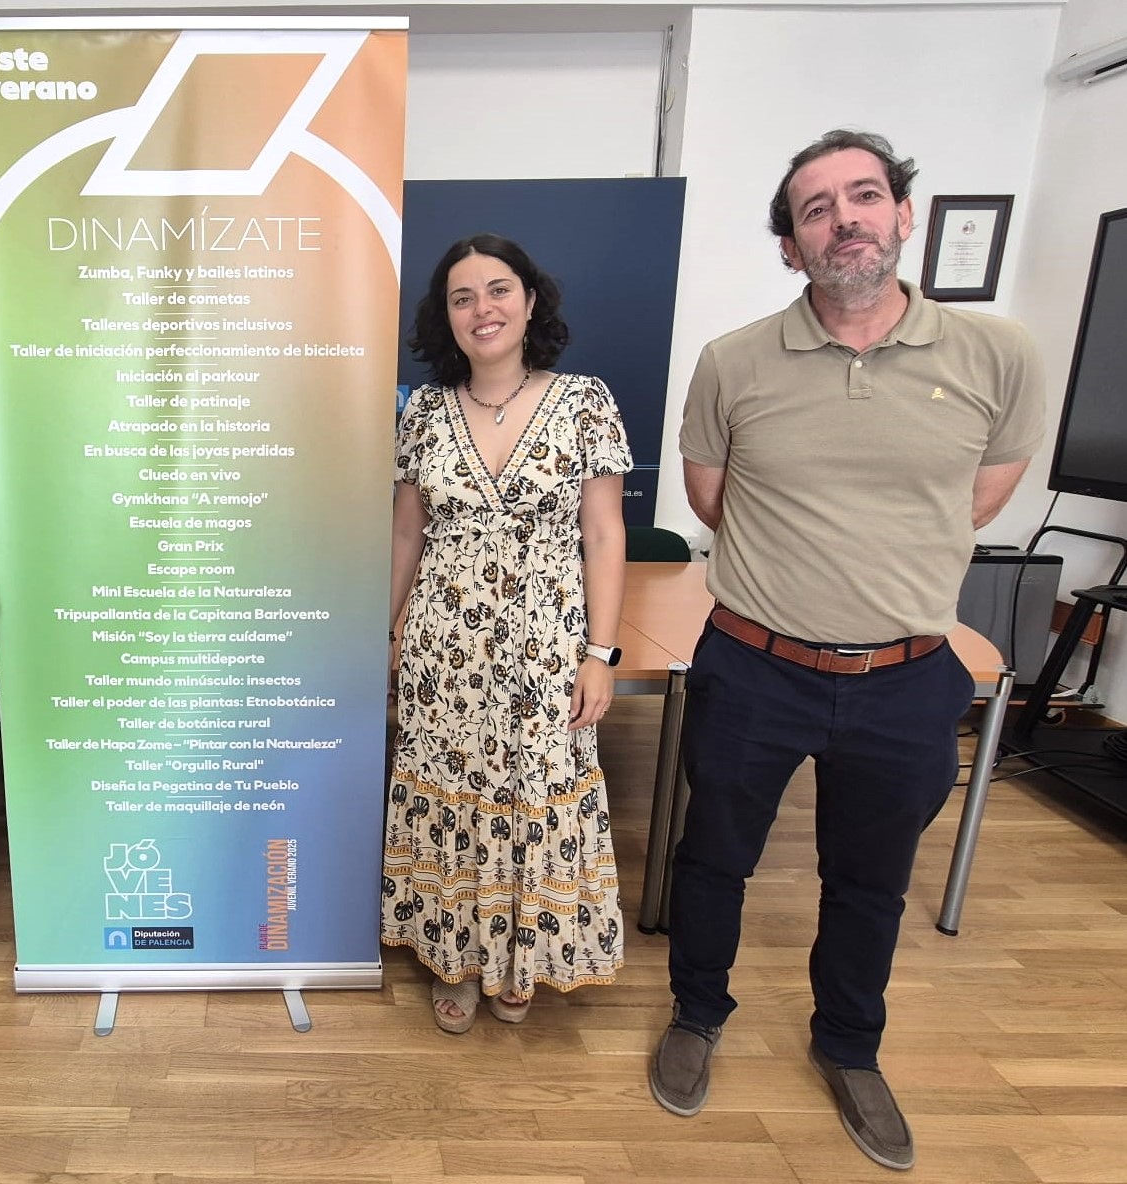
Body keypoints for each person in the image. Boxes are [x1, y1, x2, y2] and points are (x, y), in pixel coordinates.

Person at [649, 131, 1044, 1170]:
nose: (844, 220)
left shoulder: (996, 354)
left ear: (904, 215)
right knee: (713, 857)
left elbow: (977, 497)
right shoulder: (734, 360)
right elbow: (711, 499)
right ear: (791, 245)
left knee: (870, 879)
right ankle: (697, 1012)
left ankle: (849, 1045)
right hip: (754, 663)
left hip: (904, 677)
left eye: (863, 196)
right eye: (815, 209)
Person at [382, 233, 631, 1033]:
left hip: (545, 649)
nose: (481, 309)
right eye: (462, 297)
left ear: (529, 302)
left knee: (532, 795)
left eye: (497, 290)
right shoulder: (424, 412)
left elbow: (604, 534)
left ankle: (518, 959)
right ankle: (455, 955)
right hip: (444, 651)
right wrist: (388, 632)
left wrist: (600, 654)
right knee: (452, 795)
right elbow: (406, 533)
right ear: (446, 316)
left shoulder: (585, 401)